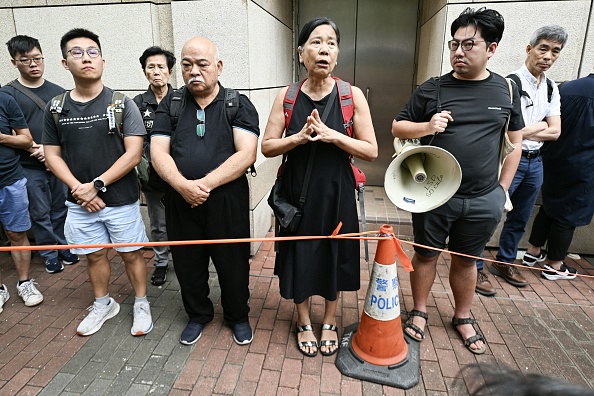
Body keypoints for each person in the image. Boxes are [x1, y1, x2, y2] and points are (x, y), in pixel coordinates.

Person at [392, 7, 524, 354]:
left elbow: (515, 141)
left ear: (491, 48)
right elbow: (398, 127)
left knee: (467, 259)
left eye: (469, 45)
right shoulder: (433, 88)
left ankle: (462, 316)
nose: (458, 52)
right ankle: (419, 311)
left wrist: (502, 190)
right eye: (454, 44)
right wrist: (427, 126)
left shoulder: (506, 91)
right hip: (433, 194)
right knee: (425, 255)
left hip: (483, 198)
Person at [261, 17, 378, 357]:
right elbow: (268, 147)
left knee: (334, 254)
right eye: (315, 42)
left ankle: (329, 319)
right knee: (298, 253)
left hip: (337, 193)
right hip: (297, 194)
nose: (323, 49)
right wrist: (297, 138)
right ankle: (301, 319)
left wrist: (333, 135)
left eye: (330, 42)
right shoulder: (288, 97)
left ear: (337, 54)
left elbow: (371, 151)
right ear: (301, 53)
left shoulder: (350, 96)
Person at [42, 28, 153, 337]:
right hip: (78, 202)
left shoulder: (121, 104)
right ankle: (103, 304)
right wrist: (81, 190)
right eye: (76, 53)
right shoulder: (55, 108)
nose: (86, 58)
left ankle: (141, 303)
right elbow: (52, 155)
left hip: (120, 200)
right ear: (65, 63)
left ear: (103, 60)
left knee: (131, 253)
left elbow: (133, 154)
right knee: (94, 255)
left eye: (92, 52)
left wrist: (97, 185)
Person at [150, 36, 259, 346]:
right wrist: (183, 186)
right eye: (186, 65)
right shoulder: (170, 105)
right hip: (180, 200)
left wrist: (204, 185)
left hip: (226, 200)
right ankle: (198, 314)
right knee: (187, 263)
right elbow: (158, 152)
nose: (193, 71)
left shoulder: (237, 103)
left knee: (233, 263)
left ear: (218, 67)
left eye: (202, 64)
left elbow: (246, 154)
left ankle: (237, 315)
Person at [475, 26, 568, 295]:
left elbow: (556, 131)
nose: (548, 56)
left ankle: (504, 261)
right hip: (508, 160)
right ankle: (476, 266)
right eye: (543, 48)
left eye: (555, 52)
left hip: (535, 161)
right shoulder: (509, 84)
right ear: (529, 49)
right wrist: (538, 127)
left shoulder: (551, 88)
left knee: (521, 216)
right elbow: (504, 132)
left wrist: (529, 128)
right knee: (491, 213)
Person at [1, 35, 79, 274]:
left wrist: (54, 154)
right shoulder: (9, 94)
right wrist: (38, 150)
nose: (33, 64)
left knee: (60, 206)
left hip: (57, 161)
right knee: (39, 211)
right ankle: (48, 252)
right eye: (26, 60)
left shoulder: (58, 91)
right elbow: (15, 132)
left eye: (37, 58)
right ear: (14, 62)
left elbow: (65, 128)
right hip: (27, 164)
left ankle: (62, 245)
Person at [523, 71, 594, 280]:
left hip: (552, 158)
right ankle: (554, 265)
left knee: (549, 206)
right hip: (584, 164)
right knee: (568, 214)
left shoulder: (567, 87)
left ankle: (532, 252)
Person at [133, 46, 175, 286]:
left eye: (161, 66)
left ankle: (184, 258)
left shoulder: (182, 99)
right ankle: (161, 262)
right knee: (158, 222)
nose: (156, 71)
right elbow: (133, 141)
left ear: (169, 70)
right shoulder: (137, 104)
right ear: (144, 72)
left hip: (180, 173)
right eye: (151, 67)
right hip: (152, 175)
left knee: (183, 219)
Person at [0, 91, 44, 313]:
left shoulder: (5, 99)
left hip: (9, 179)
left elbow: (26, 139)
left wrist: (2, 137)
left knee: (17, 233)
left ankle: (24, 282)